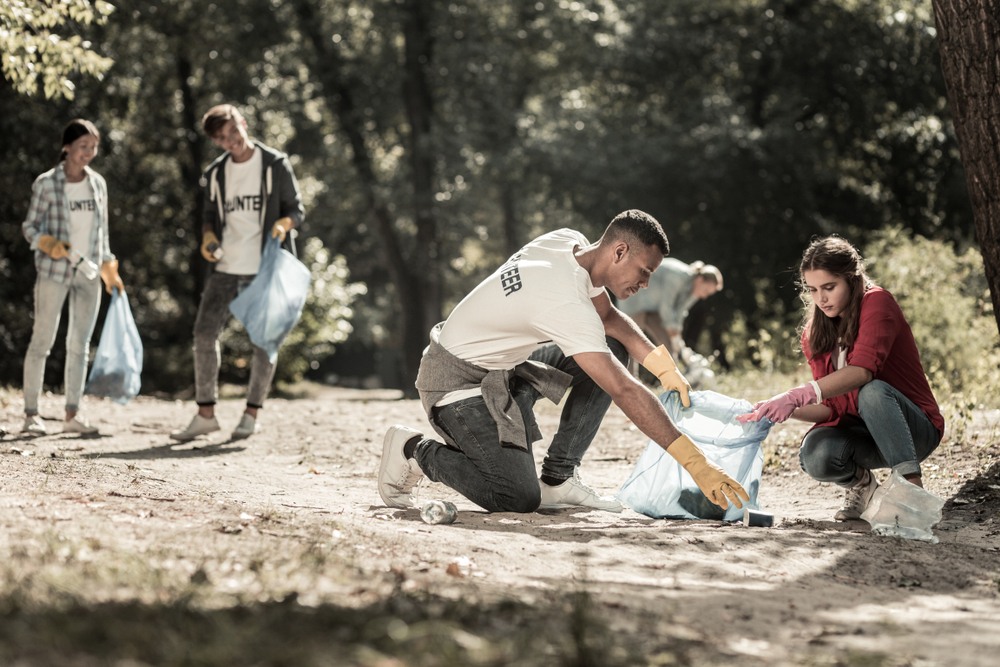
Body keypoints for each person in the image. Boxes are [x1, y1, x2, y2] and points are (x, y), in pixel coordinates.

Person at [377, 209, 749, 514]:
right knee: (515, 497)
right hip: (454, 382)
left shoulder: (567, 242)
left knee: (613, 348)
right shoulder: (564, 301)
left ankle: (558, 479)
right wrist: (696, 463)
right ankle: (414, 449)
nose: (646, 285)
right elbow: (621, 388)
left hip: (502, 366)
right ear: (619, 252)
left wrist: (663, 368)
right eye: (644, 272)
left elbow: (608, 320)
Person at [738, 236, 944, 521]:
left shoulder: (877, 303)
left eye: (829, 287)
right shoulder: (815, 333)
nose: (821, 298)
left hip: (913, 431)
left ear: (852, 279)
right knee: (815, 454)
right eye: (812, 290)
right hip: (866, 436)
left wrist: (797, 394)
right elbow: (832, 406)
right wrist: (780, 408)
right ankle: (864, 488)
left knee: (871, 391)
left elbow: (862, 371)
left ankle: (912, 493)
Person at [170, 104, 304, 442]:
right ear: (217, 142)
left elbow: (296, 209)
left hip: (263, 267)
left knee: (264, 339)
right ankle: (205, 414)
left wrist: (284, 224)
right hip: (226, 266)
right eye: (223, 140)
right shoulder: (216, 173)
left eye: (234, 133)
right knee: (203, 333)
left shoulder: (274, 164)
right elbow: (209, 216)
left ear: (243, 123)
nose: (232, 142)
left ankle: (251, 413)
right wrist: (208, 237)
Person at [21, 118, 125, 435]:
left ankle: (72, 415)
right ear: (67, 147)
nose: (89, 153)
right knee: (42, 341)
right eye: (83, 146)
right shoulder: (46, 184)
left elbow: (102, 233)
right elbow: (29, 228)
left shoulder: (97, 184)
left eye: (93, 147)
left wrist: (109, 266)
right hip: (54, 272)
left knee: (79, 344)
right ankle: (31, 415)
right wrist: (45, 243)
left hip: (89, 273)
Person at [618, 258, 722, 382]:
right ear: (700, 280)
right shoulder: (677, 275)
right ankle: (631, 382)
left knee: (669, 345)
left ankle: (675, 383)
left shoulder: (694, 290)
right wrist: (674, 335)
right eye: (705, 290)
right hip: (634, 301)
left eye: (708, 294)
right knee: (632, 343)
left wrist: (677, 338)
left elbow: (679, 313)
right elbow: (666, 307)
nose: (704, 296)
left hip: (652, 308)